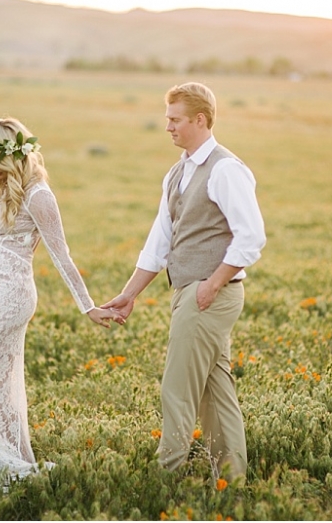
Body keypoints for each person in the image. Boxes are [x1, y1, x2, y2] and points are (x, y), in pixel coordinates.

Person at [0, 117, 116, 488]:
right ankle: (7, 462)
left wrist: (88, 306)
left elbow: (61, 254)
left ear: (12, 154)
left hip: (12, 294)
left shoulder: (38, 195)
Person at [104, 82, 266, 482]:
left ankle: (165, 478)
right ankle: (231, 479)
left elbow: (252, 236)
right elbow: (159, 241)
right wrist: (129, 294)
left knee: (176, 391)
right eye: (167, 120)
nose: (168, 128)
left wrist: (212, 284)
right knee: (216, 392)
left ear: (200, 119)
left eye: (175, 120)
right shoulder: (177, 172)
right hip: (192, 292)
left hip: (210, 294)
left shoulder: (226, 169)